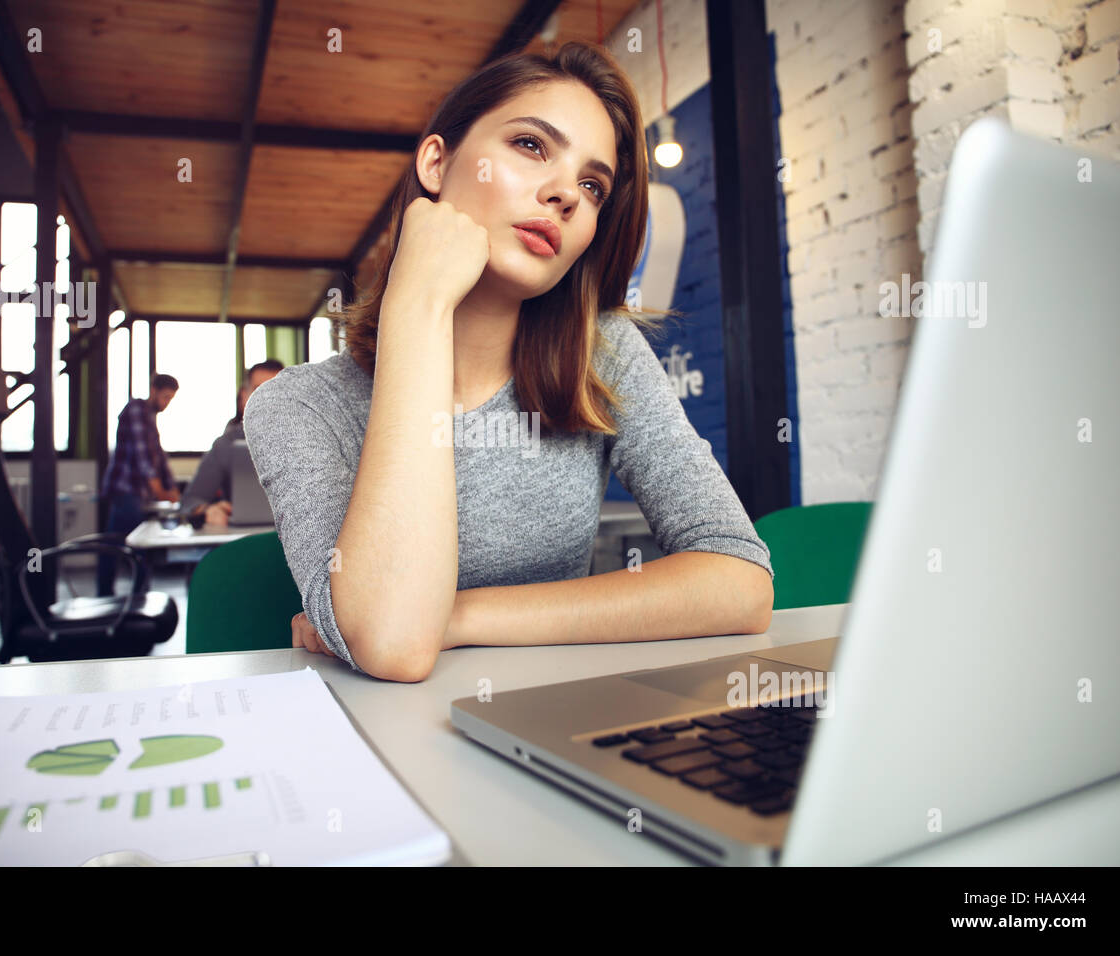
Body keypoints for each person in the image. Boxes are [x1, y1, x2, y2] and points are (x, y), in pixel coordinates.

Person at [243, 41, 774, 682]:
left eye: (591, 184)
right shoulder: (295, 406)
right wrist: (417, 307)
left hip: (550, 728)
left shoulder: (602, 358)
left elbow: (739, 582)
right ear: (437, 164)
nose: (566, 196)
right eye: (530, 145)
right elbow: (393, 644)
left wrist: (459, 618)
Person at [96, 373, 179, 596]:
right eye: (164, 397)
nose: (166, 403)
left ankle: (139, 596)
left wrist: (172, 489)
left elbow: (159, 457)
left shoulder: (150, 418)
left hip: (138, 493)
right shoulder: (136, 410)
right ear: (153, 390)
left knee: (137, 547)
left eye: (170, 398)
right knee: (118, 545)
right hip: (125, 490)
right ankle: (108, 596)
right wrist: (161, 491)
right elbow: (144, 459)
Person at [180, 361, 283, 526]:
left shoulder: (312, 441)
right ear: (244, 396)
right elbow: (190, 501)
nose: (268, 400)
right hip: (243, 542)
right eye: (258, 390)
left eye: (276, 391)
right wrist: (207, 510)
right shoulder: (226, 445)